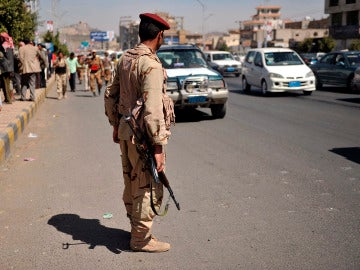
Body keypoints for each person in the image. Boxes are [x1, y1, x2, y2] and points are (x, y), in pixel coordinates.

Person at [104, 13, 175, 253]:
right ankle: (141, 239)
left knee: (131, 181)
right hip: (143, 137)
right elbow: (153, 110)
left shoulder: (125, 58)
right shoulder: (151, 65)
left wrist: (115, 124)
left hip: (125, 131)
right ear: (159, 35)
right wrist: (158, 147)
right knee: (147, 186)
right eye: (163, 35)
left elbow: (111, 94)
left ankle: (137, 229)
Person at [0, 32, 15, 104]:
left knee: (6, 84)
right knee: (7, 84)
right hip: (9, 67)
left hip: (5, 68)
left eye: (1, 37)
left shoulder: (4, 45)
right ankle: (8, 99)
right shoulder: (10, 45)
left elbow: (6, 58)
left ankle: (8, 99)